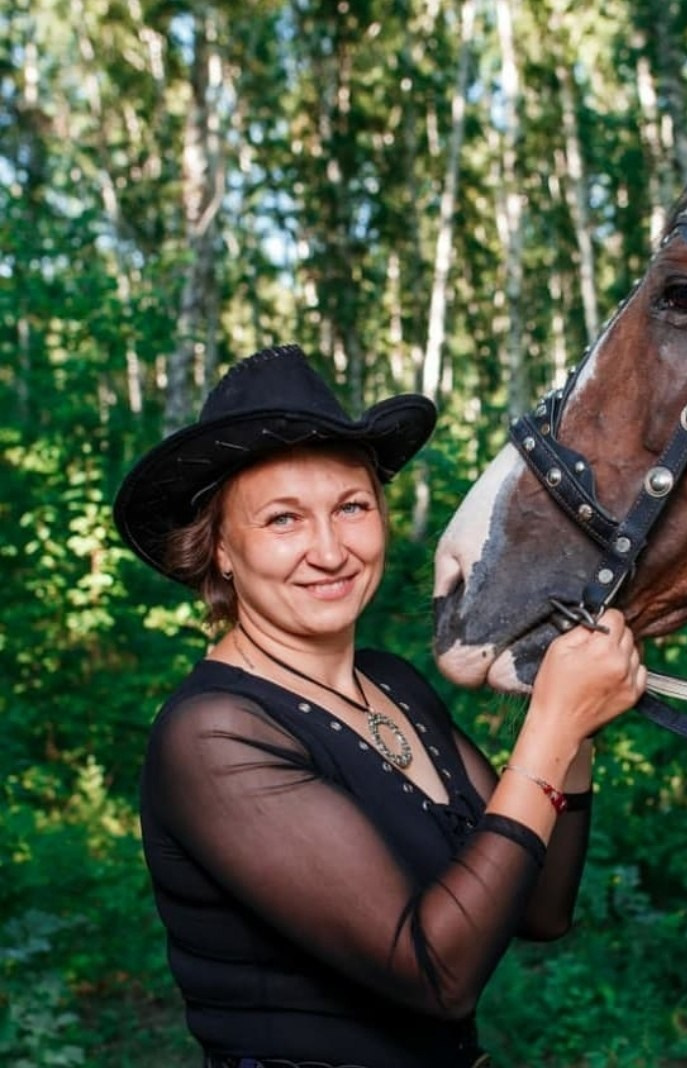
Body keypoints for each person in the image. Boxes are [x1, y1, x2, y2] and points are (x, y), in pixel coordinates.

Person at [113, 343, 646, 1068]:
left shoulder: (392, 684)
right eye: (282, 520)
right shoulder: (214, 736)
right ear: (220, 552)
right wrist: (550, 728)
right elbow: (437, 974)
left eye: (352, 507)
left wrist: (573, 729)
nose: (330, 550)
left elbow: (539, 910)